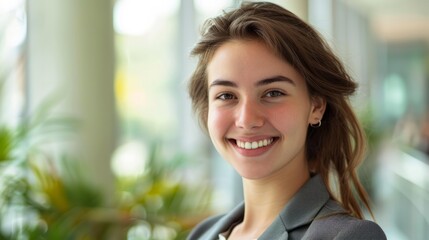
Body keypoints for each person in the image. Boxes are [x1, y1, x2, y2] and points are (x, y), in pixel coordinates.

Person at [186, 2, 386, 240]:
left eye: (273, 93)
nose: (247, 119)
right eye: (226, 96)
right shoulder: (202, 234)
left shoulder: (347, 236)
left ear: (316, 106)